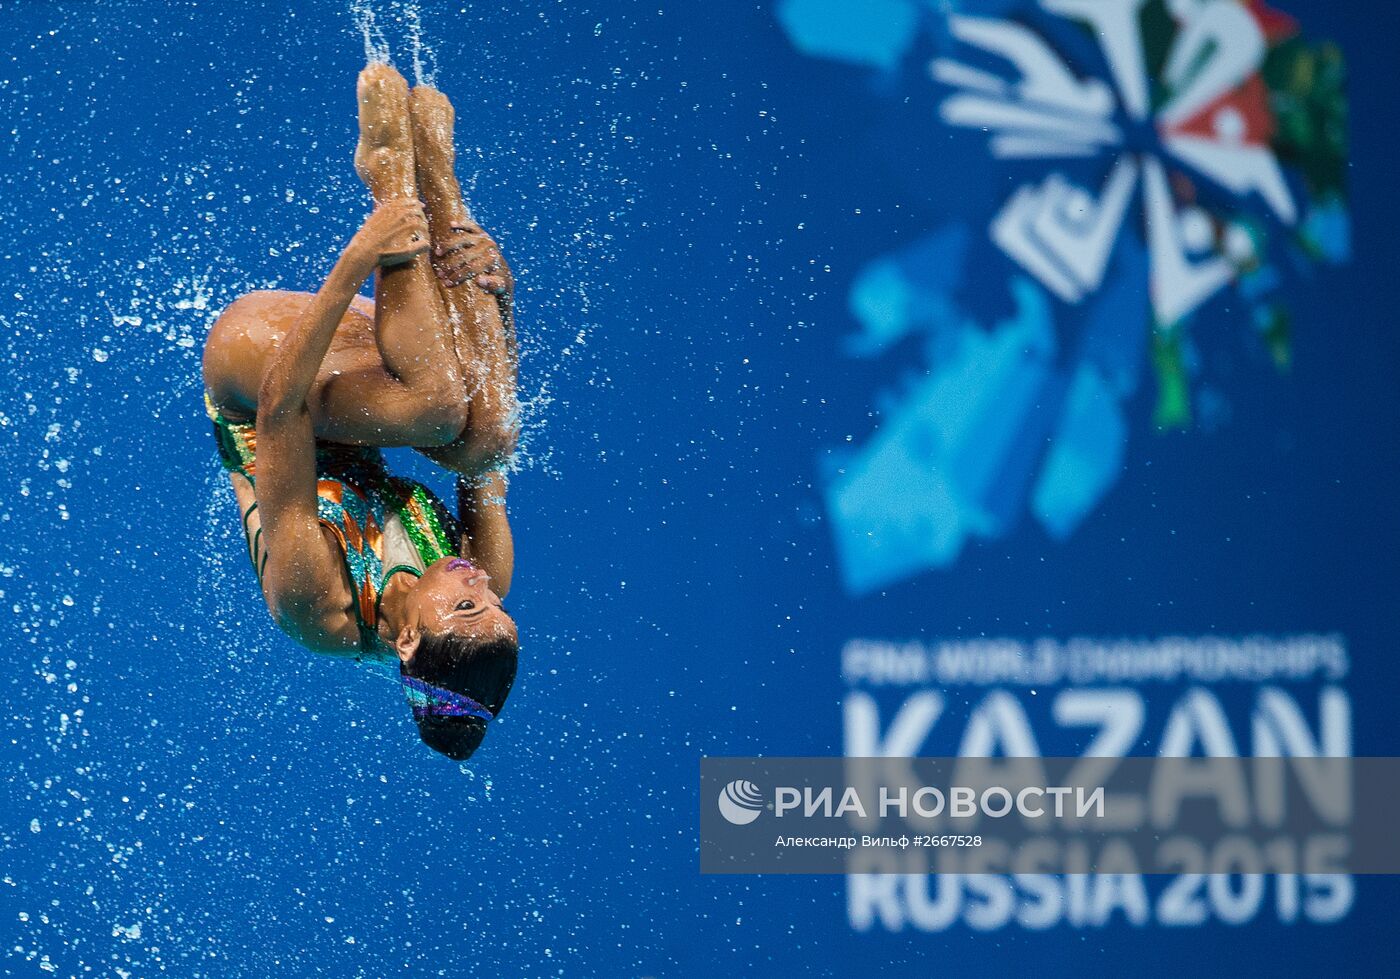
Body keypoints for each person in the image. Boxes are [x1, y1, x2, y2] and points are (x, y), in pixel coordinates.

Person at [201, 64, 520, 761]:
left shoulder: (318, 605)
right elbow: (497, 403)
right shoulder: (480, 570)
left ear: (407, 641)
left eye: (468, 605)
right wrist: (500, 295)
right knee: (490, 435)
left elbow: (282, 407)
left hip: (257, 377)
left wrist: (359, 256)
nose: (482, 584)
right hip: (361, 389)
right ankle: (445, 201)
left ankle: (390, 181)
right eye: (500, 607)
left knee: (437, 407)